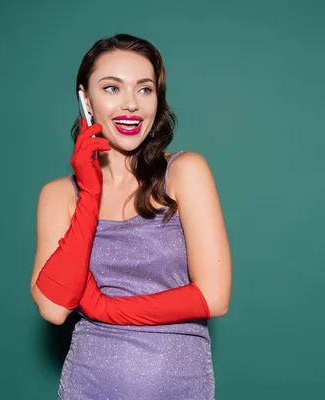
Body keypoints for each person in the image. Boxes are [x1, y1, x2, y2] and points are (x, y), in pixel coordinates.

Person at [29, 33, 232, 399]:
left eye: (144, 89)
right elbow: (54, 307)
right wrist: (90, 196)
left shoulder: (186, 171)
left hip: (179, 385)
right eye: (111, 88)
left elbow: (213, 296)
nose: (131, 105)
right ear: (85, 99)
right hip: (87, 385)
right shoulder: (59, 195)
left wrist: (106, 308)